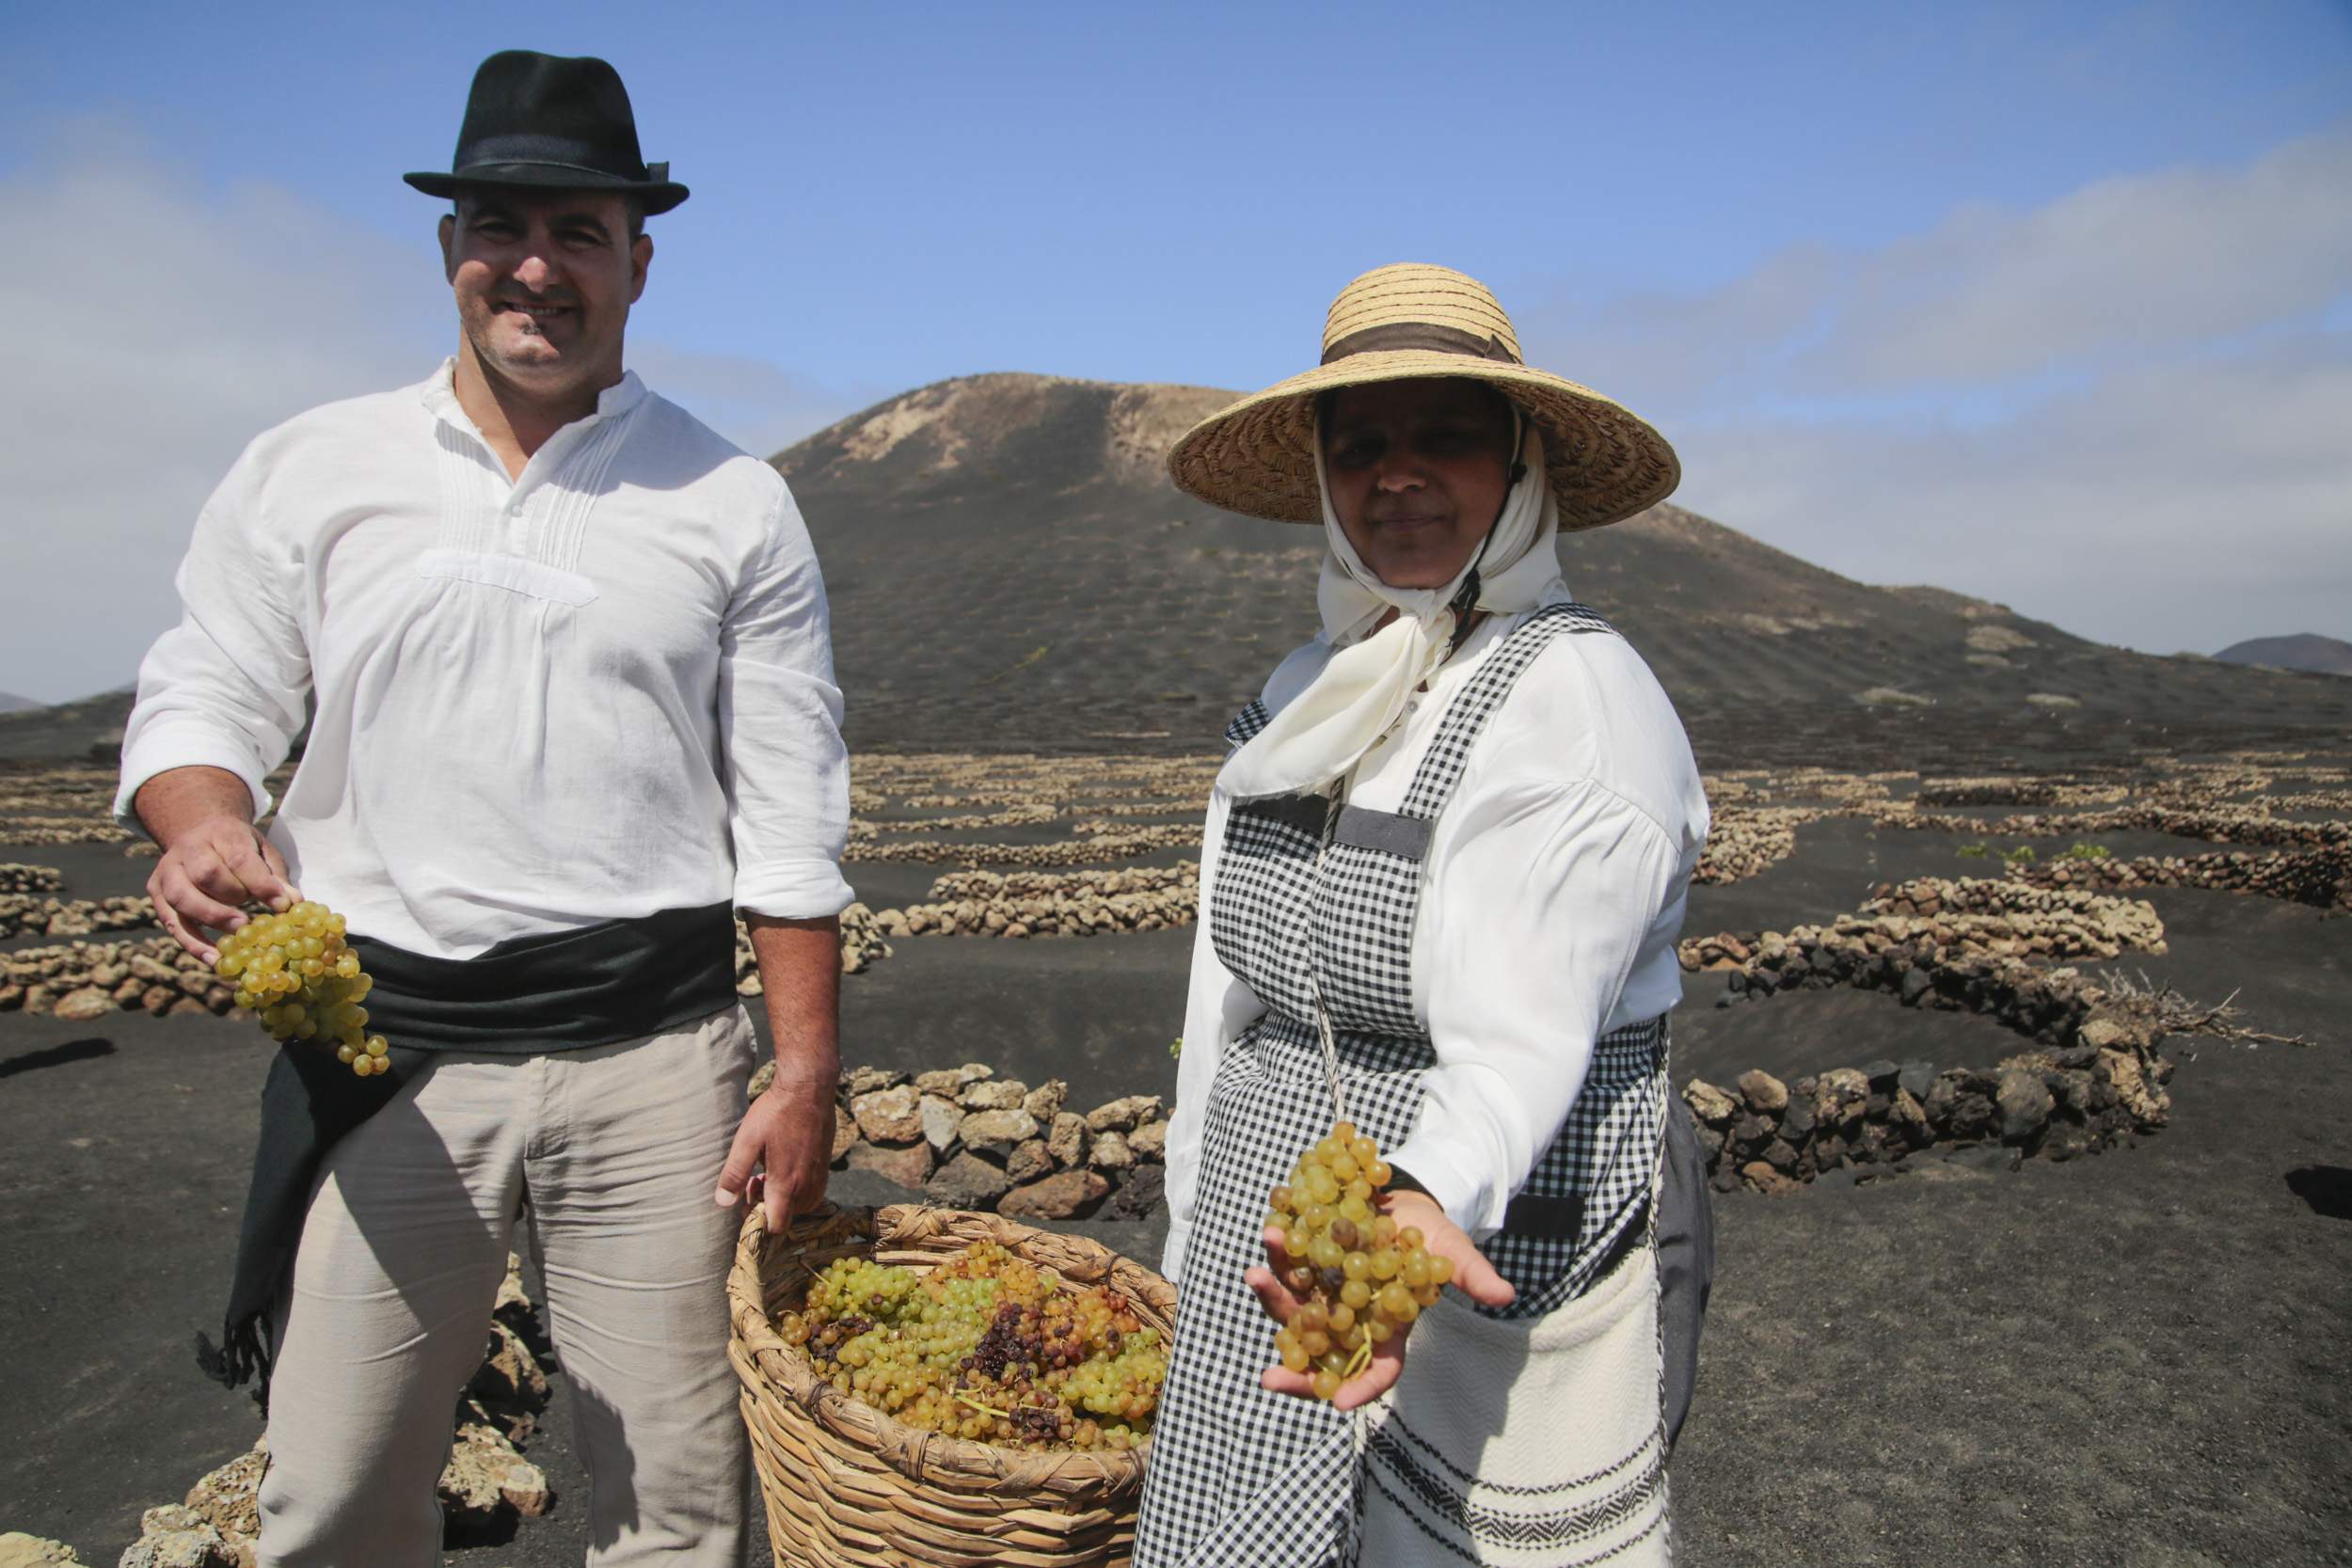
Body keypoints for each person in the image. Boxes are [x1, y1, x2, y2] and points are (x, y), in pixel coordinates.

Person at [114, 51, 850, 1566]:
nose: (535, 265)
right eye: (500, 223)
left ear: (638, 260)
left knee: (679, 1515)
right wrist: (199, 818)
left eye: (578, 231)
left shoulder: (728, 499)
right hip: (391, 1053)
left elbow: (788, 806)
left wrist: (804, 1068)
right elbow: (207, 697)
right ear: (448, 247)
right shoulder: (314, 467)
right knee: (331, 1492)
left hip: (658, 1068)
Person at [1134, 263, 1713, 1566]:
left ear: (1521, 468)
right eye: (1361, 445)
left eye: (1446, 436)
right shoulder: (1311, 687)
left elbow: (1523, 1035)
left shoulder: (1577, 703)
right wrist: (1195, 1215)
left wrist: (1415, 1197)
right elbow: (1224, 999)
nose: (1398, 475)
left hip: (1457, 1227)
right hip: (1276, 1240)